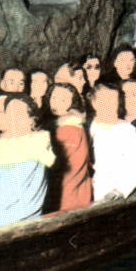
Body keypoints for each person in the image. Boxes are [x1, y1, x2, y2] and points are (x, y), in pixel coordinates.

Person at [0, 94, 56, 229]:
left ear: (31, 120)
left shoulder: (32, 149)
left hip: (16, 226)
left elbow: (4, 197)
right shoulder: (8, 146)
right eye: (9, 114)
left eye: (19, 114)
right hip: (1, 222)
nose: (13, 119)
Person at [88, 81, 136, 201]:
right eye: (104, 100)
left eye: (113, 100)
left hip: (117, 192)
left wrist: (120, 190)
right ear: (94, 103)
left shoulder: (127, 130)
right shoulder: (90, 128)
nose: (109, 105)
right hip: (94, 190)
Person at [47, 82, 93, 212]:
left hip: (67, 197)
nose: (56, 102)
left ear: (72, 103)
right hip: (79, 192)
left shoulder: (66, 129)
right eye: (54, 97)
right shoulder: (74, 125)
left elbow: (64, 170)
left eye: (63, 99)